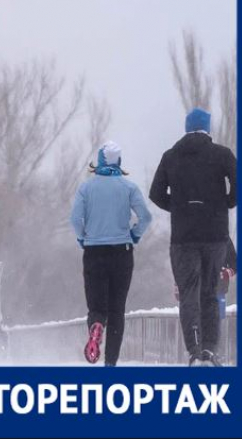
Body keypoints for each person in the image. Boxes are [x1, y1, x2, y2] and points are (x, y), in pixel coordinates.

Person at [150, 107, 237, 367]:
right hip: (214, 236)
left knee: (189, 294)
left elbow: (155, 193)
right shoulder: (222, 155)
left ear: (187, 127)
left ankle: (194, 350)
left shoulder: (171, 156)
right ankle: (210, 350)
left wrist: (179, 207)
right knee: (210, 293)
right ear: (207, 128)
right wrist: (224, 204)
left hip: (183, 238)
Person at [71, 141, 152, 366]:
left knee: (97, 306)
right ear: (119, 162)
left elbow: (75, 219)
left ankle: (96, 324)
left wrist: (82, 237)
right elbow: (145, 217)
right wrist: (134, 235)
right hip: (122, 253)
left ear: (99, 161)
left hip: (94, 252)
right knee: (117, 310)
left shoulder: (86, 188)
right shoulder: (129, 187)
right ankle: (110, 364)